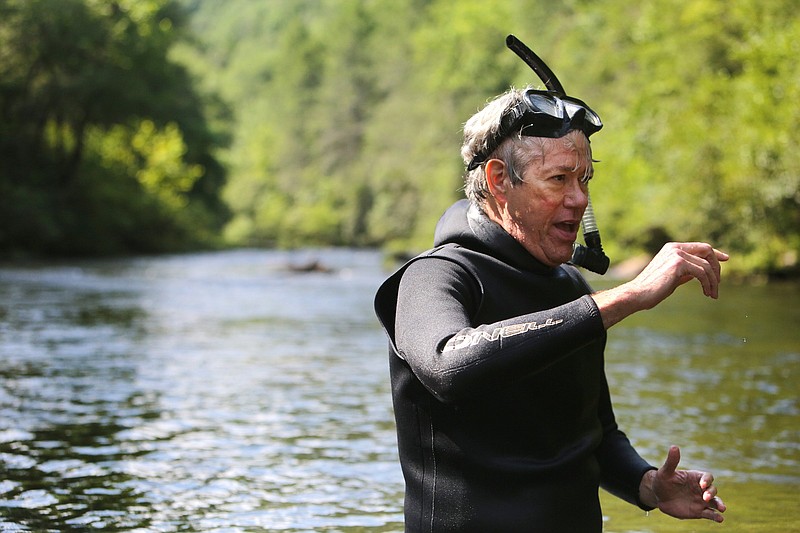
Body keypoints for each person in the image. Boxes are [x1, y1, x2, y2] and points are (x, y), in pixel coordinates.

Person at [374, 85, 728, 532]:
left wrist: (648, 485)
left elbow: (593, 437)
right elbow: (448, 365)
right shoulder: (436, 277)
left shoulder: (569, 288)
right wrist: (624, 297)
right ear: (500, 180)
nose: (579, 199)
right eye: (559, 179)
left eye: (584, 180)